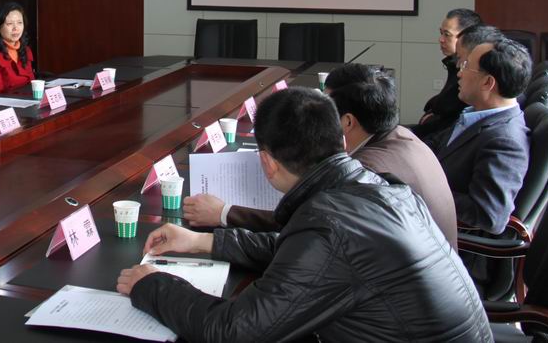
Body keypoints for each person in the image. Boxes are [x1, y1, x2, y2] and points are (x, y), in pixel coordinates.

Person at [116, 88, 490, 343]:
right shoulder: (380, 188)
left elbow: (233, 331)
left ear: (266, 162)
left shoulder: (329, 223)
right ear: (341, 141)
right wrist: (204, 242)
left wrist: (153, 285)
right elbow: (302, 252)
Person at [184, 65, 459, 247]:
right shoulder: (402, 136)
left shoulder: (365, 171)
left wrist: (224, 213)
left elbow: (304, 222)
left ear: (348, 122)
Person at [435, 37, 531, 234]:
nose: (459, 73)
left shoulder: (505, 141)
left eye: (466, 66)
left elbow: (488, 216)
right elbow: (437, 145)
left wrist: (423, 188)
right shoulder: (478, 116)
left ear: (488, 82)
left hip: (443, 237)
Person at [413, 8, 482, 141]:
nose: (441, 39)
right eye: (441, 33)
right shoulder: (453, 63)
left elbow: (448, 108)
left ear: (466, 37)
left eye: (447, 34)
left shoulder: (472, 72)